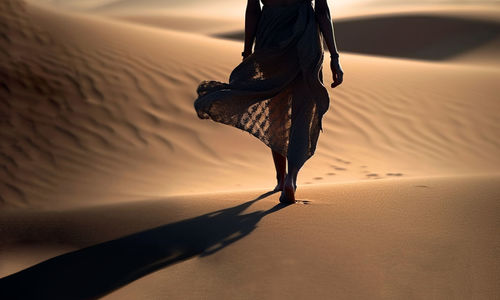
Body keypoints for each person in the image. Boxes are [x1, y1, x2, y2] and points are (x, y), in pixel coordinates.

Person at [194, 0, 344, 204]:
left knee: (276, 107)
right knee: (303, 107)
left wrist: (247, 51)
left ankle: (280, 179)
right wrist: (334, 56)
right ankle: (291, 178)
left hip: (270, 35)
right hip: (305, 37)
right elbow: (322, 11)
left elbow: (253, 10)